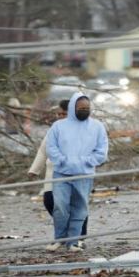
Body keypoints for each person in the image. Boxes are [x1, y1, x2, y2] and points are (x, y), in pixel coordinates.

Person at [45, 93, 108, 252]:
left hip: (84, 174)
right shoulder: (58, 126)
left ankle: (73, 242)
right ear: (73, 108)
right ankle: (59, 239)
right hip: (61, 173)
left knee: (80, 208)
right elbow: (51, 147)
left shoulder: (97, 126)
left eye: (87, 108)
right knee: (60, 206)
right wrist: (62, 161)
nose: (84, 111)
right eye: (81, 108)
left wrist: (88, 162)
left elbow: (101, 150)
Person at [27, 100, 89, 246]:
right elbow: (43, 151)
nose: (60, 116)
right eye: (59, 114)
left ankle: (78, 238)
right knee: (50, 202)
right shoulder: (54, 130)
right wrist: (34, 170)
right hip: (52, 175)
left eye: (64, 114)